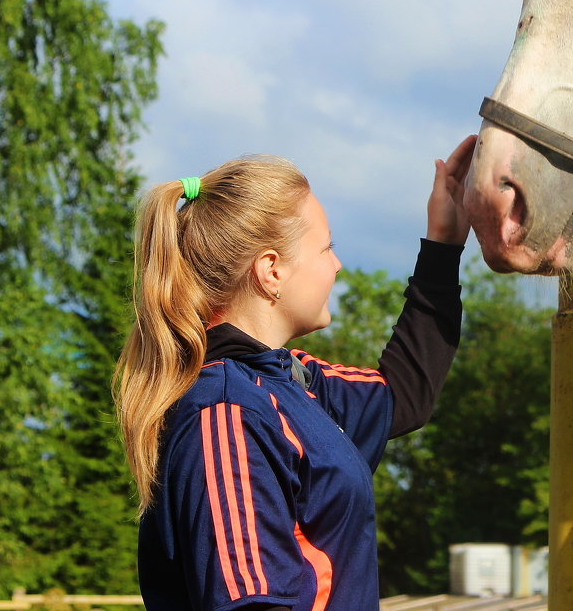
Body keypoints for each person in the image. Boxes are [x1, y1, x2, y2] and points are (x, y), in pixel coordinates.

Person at [114, 136, 475, 611]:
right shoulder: (227, 413)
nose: (338, 265)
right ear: (271, 271)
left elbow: (401, 395)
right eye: (327, 248)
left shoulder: (294, 383)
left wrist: (444, 245)